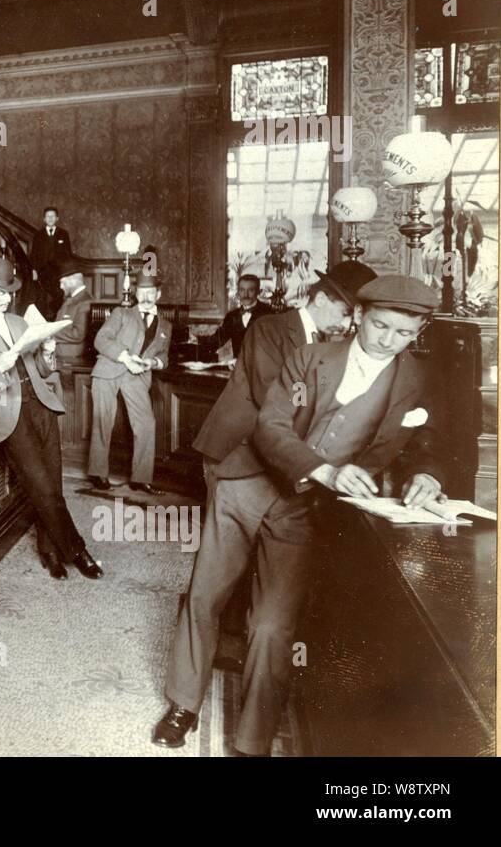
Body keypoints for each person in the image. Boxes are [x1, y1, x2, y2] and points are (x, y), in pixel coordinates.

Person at [154, 274, 445, 755]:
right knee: (205, 595)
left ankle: (252, 738)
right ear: (357, 317)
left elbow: (430, 441)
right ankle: (183, 704)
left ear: (418, 333)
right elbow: (271, 425)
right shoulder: (312, 359)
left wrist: (429, 474)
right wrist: (324, 470)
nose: (388, 341)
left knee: (271, 625)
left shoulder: (417, 381)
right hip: (245, 485)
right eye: (380, 327)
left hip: (305, 513)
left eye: (403, 334)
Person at [0, 257, 102, 582]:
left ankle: (50, 552)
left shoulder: (21, 323)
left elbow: (44, 369)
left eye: (8, 291)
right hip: (11, 413)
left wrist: (49, 351)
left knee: (52, 484)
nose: (5, 297)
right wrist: (1, 365)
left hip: (41, 406)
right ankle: (77, 551)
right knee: (39, 484)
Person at [192, 261, 377, 479]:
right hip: (234, 452)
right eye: (345, 313)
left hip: (275, 455)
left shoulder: (329, 342)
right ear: (320, 300)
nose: (346, 326)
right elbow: (273, 392)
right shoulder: (269, 328)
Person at [86, 273, 171, 494]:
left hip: (137, 376)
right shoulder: (121, 313)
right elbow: (101, 339)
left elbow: (164, 356)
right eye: (142, 292)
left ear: (158, 294)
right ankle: (98, 473)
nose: (146, 297)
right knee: (103, 421)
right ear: (135, 293)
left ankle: (140, 479)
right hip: (109, 370)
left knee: (146, 423)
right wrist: (126, 358)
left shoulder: (166, 326)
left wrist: (152, 362)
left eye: (151, 292)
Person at [216, 274, 272, 358]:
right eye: (242, 290)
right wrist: (196, 340)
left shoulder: (269, 314)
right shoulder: (232, 316)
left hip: (262, 368)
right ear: (238, 291)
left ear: (258, 291)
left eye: (251, 290)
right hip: (238, 366)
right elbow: (217, 340)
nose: (246, 295)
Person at [30, 206, 72, 312]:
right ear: (44, 219)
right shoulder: (38, 235)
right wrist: (34, 270)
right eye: (48, 216)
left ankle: (56, 320)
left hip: (58, 273)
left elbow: (68, 254)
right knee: (42, 298)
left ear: (57, 218)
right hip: (42, 272)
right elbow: (34, 254)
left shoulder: (63, 234)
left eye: (52, 216)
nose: (50, 218)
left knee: (58, 297)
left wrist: (66, 272)